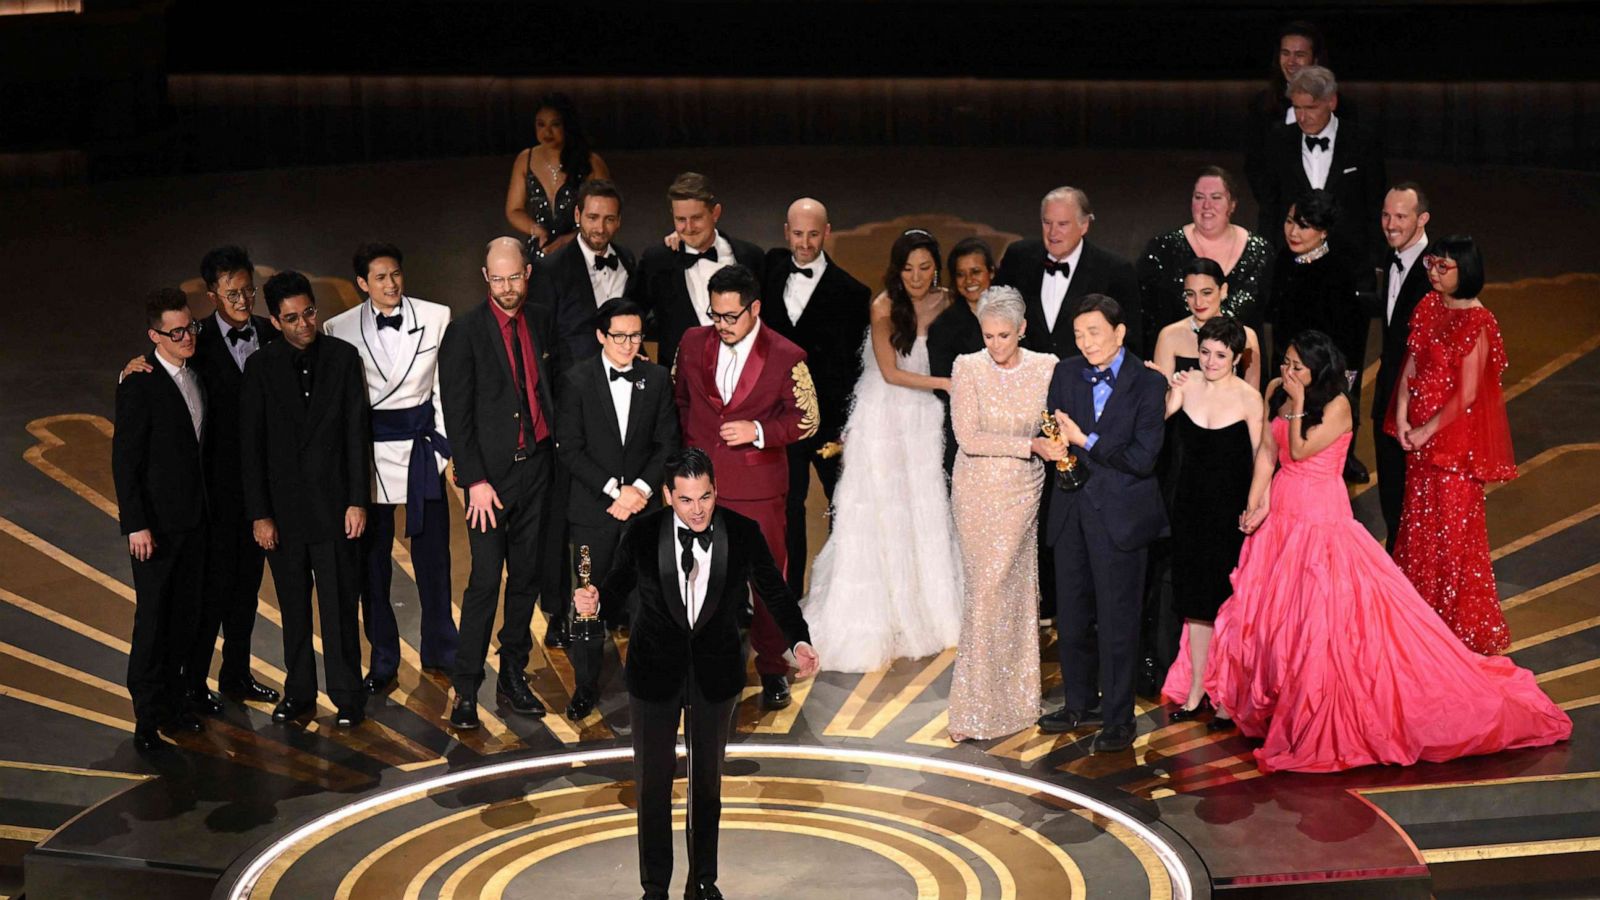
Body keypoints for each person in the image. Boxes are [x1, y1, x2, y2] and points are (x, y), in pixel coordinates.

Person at [1165, 331, 1569, 772]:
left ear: (1319, 370)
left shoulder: (1338, 405)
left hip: (1320, 520)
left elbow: (1299, 449)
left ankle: (1315, 712)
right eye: (1287, 363)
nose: (1288, 372)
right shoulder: (1275, 392)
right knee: (1270, 618)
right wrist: (1255, 502)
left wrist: (1297, 400)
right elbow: (1267, 451)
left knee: (1319, 624)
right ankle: (1271, 703)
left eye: (1298, 366)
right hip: (1281, 517)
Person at [572, 448, 819, 900]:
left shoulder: (742, 533)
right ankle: (654, 888)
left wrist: (797, 640)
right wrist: (596, 603)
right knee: (653, 785)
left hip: (715, 675)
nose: (698, 508)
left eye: (705, 497)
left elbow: (774, 591)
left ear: (715, 491)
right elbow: (616, 585)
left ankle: (703, 882)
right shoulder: (642, 533)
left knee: (707, 785)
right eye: (686, 500)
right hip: (654, 674)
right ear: (668, 496)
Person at [121, 246, 282, 714]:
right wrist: (130, 367)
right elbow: (161, 371)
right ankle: (192, 683)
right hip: (212, 497)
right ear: (212, 294)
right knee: (209, 595)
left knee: (248, 591)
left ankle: (236, 673)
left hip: (261, 494)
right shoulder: (196, 340)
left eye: (249, 289)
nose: (243, 299)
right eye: (232, 292)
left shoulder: (271, 336)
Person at [803, 229, 965, 673]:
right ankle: (880, 613)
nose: (916, 276)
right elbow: (892, 373)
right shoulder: (882, 306)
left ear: (936, 267)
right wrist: (945, 384)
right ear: (897, 269)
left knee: (924, 508)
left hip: (926, 420)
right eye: (908, 267)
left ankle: (929, 609)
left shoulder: (947, 301)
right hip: (886, 415)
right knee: (883, 511)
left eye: (925, 267)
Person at [673, 264, 818, 709]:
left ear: (755, 308)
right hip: (700, 488)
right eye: (715, 315)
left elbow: (807, 420)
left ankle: (773, 667)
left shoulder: (786, 355)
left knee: (768, 580)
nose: (721, 325)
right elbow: (679, 401)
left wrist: (757, 431)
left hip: (757, 488)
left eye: (730, 316)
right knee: (695, 579)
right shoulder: (692, 342)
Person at [322, 242, 458, 694]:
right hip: (370, 460)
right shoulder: (337, 329)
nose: (391, 284)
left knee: (435, 561)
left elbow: (444, 389)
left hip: (422, 453)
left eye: (395, 274)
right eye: (379, 277)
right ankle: (383, 659)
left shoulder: (437, 316)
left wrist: (440, 449)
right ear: (362, 283)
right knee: (372, 569)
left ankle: (442, 648)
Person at [1036, 294, 1168, 754]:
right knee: (1070, 619)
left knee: (1117, 623)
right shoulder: (1065, 372)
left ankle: (1117, 718)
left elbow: (1142, 458)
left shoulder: (1149, 385)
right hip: (1071, 513)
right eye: (1078, 334)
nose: (1086, 342)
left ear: (1120, 332)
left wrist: (1083, 439)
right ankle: (1078, 703)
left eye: (1094, 332)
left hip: (1121, 519)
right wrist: (1052, 444)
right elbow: (1053, 431)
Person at [240, 272, 370, 727]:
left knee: (339, 608)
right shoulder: (259, 369)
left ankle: (348, 695)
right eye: (291, 318)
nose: (303, 324)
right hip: (285, 516)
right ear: (274, 321)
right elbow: (250, 448)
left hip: (336, 510)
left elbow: (358, 435)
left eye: (309, 312)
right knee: (294, 609)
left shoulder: (343, 358)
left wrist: (358, 501)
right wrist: (260, 515)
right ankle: (298, 693)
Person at [438, 238, 558, 729]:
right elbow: (456, 415)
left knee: (526, 579)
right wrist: (475, 480)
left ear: (526, 273)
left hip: (538, 469)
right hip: (490, 483)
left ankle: (512, 675)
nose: (508, 288)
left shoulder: (542, 318)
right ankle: (466, 689)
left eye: (515, 277)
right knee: (486, 581)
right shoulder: (463, 333)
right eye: (498, 279)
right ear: (485, 278)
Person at [1391, 236, 1517, 655]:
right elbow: (1411, 362)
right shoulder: (1428, 306)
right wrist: (1405, 415)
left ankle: (1450, 625)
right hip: (1419, 439)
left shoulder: (1480, 323)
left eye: (1443, 266)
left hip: (1452, 448)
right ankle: (1418, 617)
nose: (1434, 272)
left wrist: (1425, 431)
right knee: (1418, 528)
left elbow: (1465, 395)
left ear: (1466, 271)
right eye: (1432, 263)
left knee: (1450, 536)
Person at [554, 298, 679, 719]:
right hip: (593, 515)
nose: (629, 344)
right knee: (589, 599)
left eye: (636, 335)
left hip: (643, 514)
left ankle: (649, 684)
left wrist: (640, 490)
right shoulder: (576, 380)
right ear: (601, 336)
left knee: (649, 600)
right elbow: (569, 449)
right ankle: (586, 686)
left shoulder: (658, 378)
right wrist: (616, 492)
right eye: (620, 336)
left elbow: (667, 443)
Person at [946, 287, 1058, 741]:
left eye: (1004, 335)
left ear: (1022, 330)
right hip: (976, 492)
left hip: (1023, 491)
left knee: (1016, 592)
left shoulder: (1047, 367)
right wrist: (1029, 445)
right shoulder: (966, 367)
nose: (994, 344)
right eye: (988, 335)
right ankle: (974, 710)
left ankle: (1016, 702)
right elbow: (968, 437)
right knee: (986, 593)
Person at [758, 197, 872, 599]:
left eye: (812, 234)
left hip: (831, 425)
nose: (804, 243)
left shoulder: (853, 294)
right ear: (786, 232)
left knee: (845, 508)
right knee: (786, 511)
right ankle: (788, 601)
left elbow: (858, 368)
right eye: (797, 233)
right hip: (777, 420)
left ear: (827, 233)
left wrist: (851, 427)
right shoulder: (768, 268)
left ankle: (844, 596)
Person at [113, 289, 210, 752]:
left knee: (185, 619)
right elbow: (125, 461)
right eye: (177, 331)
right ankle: (147, 718)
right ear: (155, 336)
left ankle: (177, 704)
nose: (188, 336)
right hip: (155, 531)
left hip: (194, 523)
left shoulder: (195, 371)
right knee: (152, 622)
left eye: (190, 327)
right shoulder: (139, 384)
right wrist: (136, 524)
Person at [1156, 317, 1262, 720]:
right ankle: (1198, 688)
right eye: (1204, 352)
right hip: (1187, 510)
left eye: (1220, 355)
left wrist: (1255, 507)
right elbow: (1157, 427)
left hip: (1230, 516)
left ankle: (1226, 697)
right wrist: (1169, 390)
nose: (1210, 361)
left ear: (1236, 357)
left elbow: (1261, 461)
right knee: (1196, 607)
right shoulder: (1187, 387)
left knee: (1227, 607)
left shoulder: (1250, 399)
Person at [1266, 189, 1369, 483]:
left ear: (1323, 232)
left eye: (1303, 225)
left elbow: (1350, 334)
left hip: (1323, 373)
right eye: (1289, 221)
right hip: (1287, 364)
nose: (1293, 231)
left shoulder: (1338, 271)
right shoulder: (1284, 260)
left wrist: (1342, 386)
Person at [1255, 66, 1387, 278]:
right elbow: (1269, 206)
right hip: (1291, 261)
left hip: (1350, 263)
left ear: (1331, 102)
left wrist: (1377, 261)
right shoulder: (1279, 140)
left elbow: (1375, 204)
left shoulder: (1362, 142)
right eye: (1297, 108)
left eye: (1311, 108)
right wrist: (1265, 257)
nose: (1302, 117)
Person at [634, 172, 765, 371]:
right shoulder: (657, 260)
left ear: (716, 213)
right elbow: (632, 311)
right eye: (680, 219)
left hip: (744, 375)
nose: (688, 228)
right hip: (681, 381)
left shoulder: (750, 257)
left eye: (696, 218)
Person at [996, 186, 1143, 357]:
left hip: (1085, 379)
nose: (1052, 232)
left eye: (1063, 224)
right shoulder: (1019, 257)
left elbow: (1129, 341)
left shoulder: (1115, 270)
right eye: (1047, 222)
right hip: (1022, 377)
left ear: (1084, 225)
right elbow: (996, 315)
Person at [1138, 166, 1274, 342]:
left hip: (1244, 363)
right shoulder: (1162, 249)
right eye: (1199, 197)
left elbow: (1271, 314)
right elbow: (1143, 316)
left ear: (1232, 204)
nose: (1206, 205)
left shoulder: (1261, 252)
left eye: (1216, 198)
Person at [1373, 183, 1434, 550]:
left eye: (1400, 216)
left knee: (1415, 501)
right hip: (1387, 393)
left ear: (1422, 219)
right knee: (1392, 496)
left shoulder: (1437, 272)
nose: (1390, 224)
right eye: (1385, 215)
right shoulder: (1390, 256)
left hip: (1419, 405)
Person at [1244, 21, 1350, 211]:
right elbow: (1255, 167)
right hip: (1282, 219)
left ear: (1315, 59)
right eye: (1285, 54)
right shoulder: (1262, 106)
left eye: (1299, 55)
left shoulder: (1342, 106)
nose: (1291, 62)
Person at [535, 178, 637, 376]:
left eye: (609, 219)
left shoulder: (627, 260)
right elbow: (540, 337)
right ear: (577, 215)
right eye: (592, 217)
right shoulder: (551, 269)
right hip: (574, 383)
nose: (600, 228)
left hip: (623, 376)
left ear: (618, 221)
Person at [504, 92, 611, 257]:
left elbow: (608, 214)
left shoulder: (591, 162)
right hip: (541, 249)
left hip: (582, 248)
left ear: (567, 126)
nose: (547, 132)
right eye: (541, 124)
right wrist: (536, 230)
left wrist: (572, 239)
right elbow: (514, 209)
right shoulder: (525, 159)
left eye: (555, 124)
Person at [929, 237, 995, 477]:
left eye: (976, 271)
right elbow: (943, 384)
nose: (969, 281)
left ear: (991, 272)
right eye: (961, 274)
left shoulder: (1016, 314)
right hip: (966, 435)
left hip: (1015, 430)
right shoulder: (943, 327)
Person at [1151, 258, 1263, 389]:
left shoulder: (1247, 337)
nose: (1198, 302)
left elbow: (1252, 398)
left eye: (1206, 293)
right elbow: (1161, 398)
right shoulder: (1169, 336)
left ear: (1223, 290)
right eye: (1190, 294)